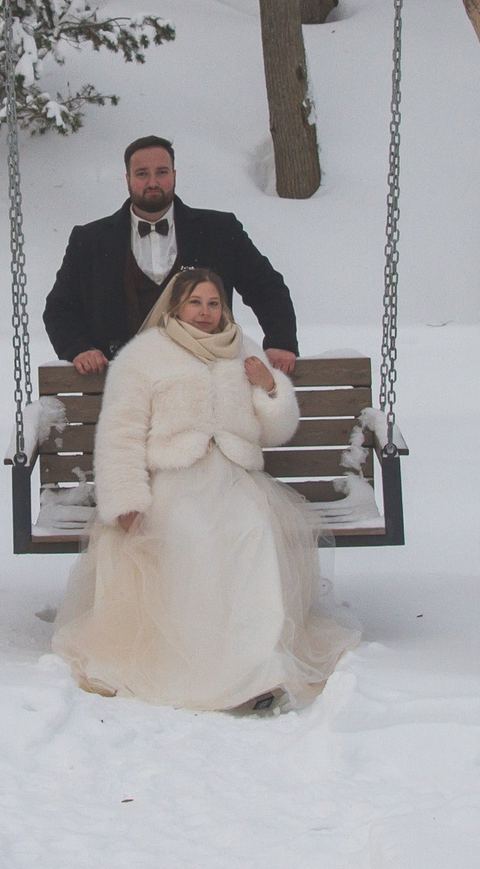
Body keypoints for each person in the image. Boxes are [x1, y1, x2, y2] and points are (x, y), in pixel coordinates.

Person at [52, 267, 359, 711]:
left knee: (253, 535)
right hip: (174, 479)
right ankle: (196, 665)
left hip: (235, 476)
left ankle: (259, 667)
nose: (205, 313)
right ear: (176, 306)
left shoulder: (245, 351)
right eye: (196, 302)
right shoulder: (145, 356)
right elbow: (121, 432)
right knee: (191, 538)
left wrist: (270, 387)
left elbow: (276, 432)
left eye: (214, 303)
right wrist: (125, 500)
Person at [42, 135, 300, 378]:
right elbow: (60, 308)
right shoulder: (89, 241)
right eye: (142, 174)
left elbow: (268, 288)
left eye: (161, 172)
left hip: (207, 385)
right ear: (128, 179)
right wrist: (79, 348)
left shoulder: (219, 231)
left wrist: (280, 341)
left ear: (174, 175)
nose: (152, 182)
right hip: (120, 387)